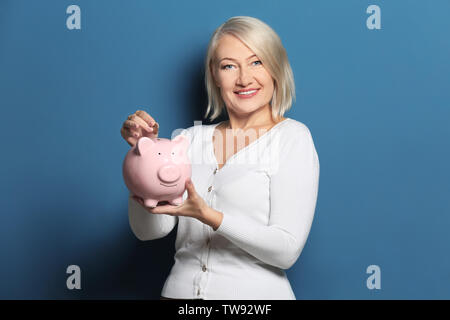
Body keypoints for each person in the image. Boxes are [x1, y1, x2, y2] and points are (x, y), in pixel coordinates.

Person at [120, 16, 320, 300]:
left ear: (275, 67)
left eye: (256, 62)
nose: (244, 78)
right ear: (215, 75)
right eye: (229, 66)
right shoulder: (188, 139)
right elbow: (149, 232)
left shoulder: (292, 138)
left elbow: (286, 250)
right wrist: (142, 158)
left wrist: (210, 216)